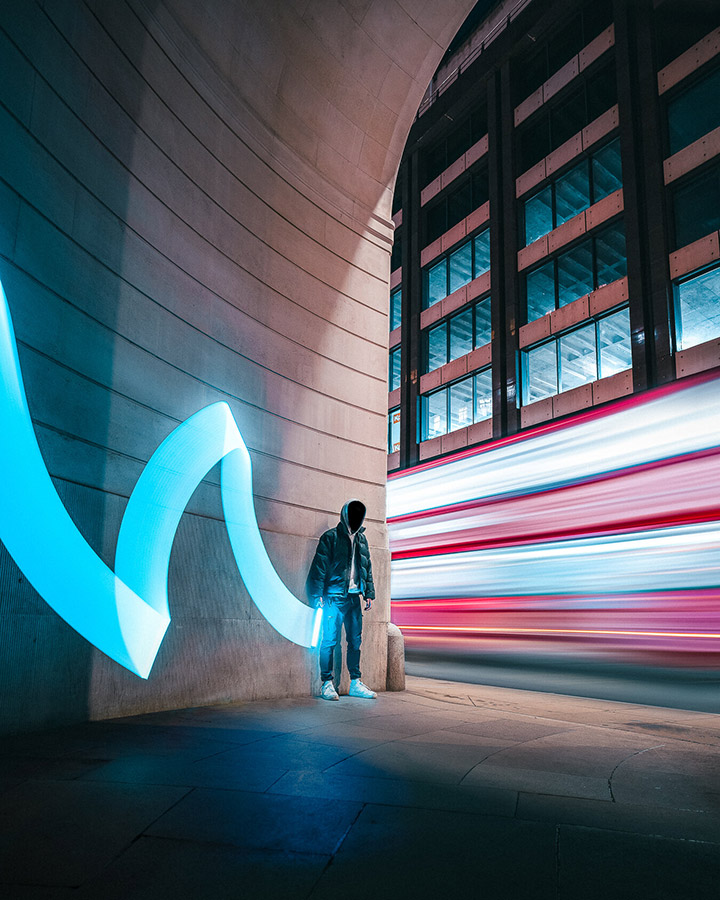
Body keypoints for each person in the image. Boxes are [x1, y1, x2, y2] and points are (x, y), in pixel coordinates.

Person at [306, 499, 377, 700]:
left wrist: (368, 592)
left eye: (359, 515)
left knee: (355, 642)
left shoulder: (362, 540)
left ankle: (355, 682)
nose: (356, 519)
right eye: (353, 514)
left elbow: (367, 568)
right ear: (345, 515)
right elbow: (319, 566)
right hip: (333, 598)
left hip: (354, 599)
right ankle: (326, 683)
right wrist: (317, 594)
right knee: (329, 641)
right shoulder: (330, 538)